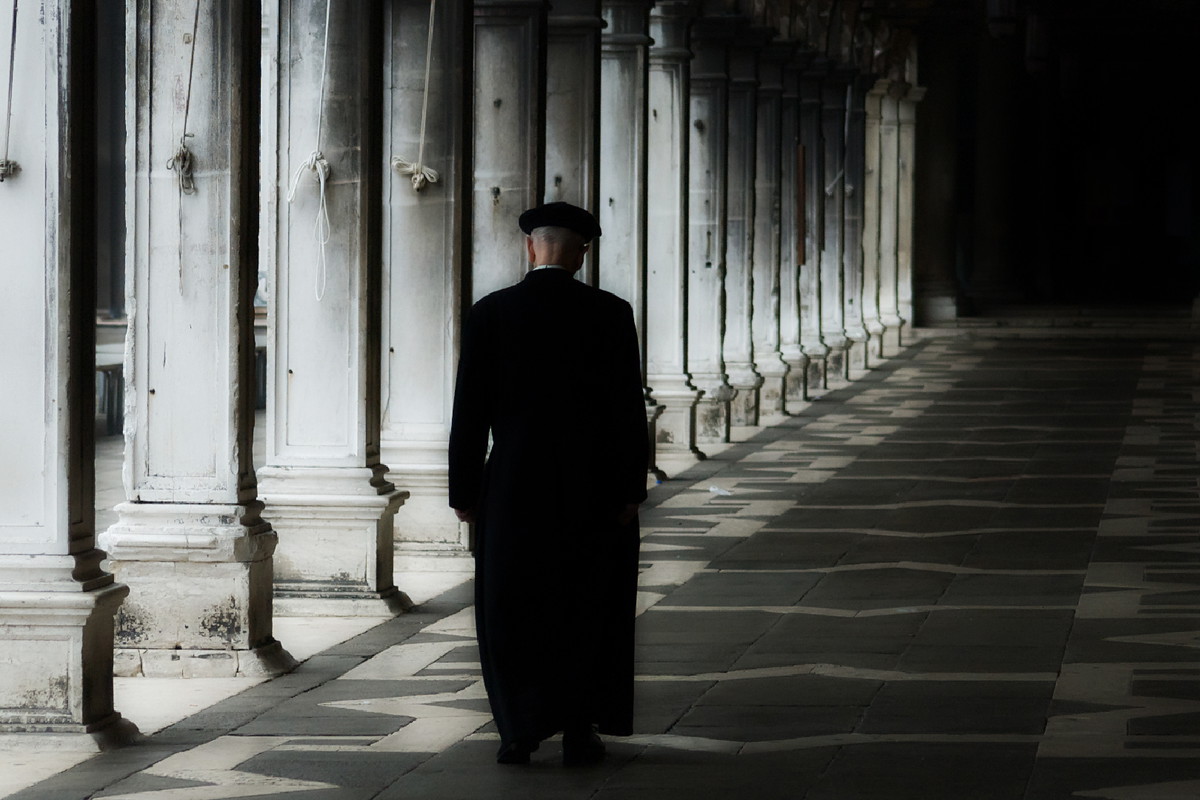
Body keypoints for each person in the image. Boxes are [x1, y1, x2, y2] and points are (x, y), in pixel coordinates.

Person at [448, 202, 649, 766]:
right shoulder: (610, 313)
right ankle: (579, 728)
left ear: (530, 247)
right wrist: (631, 487)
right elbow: (627, 409)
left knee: (511, 605)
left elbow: (470, 413)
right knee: (588, 605)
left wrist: (464, 493)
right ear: (581, 253)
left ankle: (518, 728)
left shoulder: (491, 313)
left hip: (514, 484)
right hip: (594, 486)